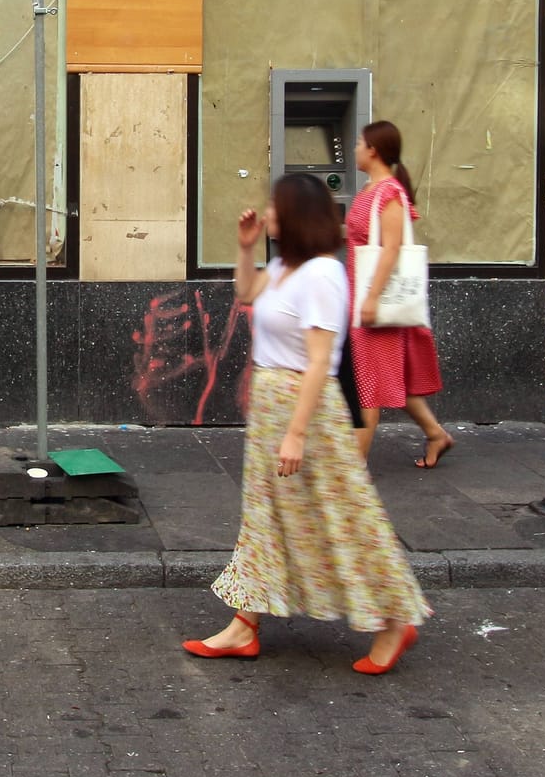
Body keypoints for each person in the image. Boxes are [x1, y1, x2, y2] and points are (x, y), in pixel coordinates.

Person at [182, 173, 431, 674]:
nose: (267, 214)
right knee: (264, 515)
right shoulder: (284, 265)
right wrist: (245, 248)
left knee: (341, 514)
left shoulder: (322, 273)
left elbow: (320, 361)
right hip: (274, 402)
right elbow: (246, 292)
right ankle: (243, 625)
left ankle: (393, 619)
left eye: (274, 208)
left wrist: (296, 432)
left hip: (307, 409)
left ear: (297, 214)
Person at [346, 121, 453, 467]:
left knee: (367, 383)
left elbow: (391, 250)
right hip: (361, 295)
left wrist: (372, 299)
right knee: (390, 377)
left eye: (360, 142)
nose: (355, 148)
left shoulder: (389, 193)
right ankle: (437, 434)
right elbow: (359, 236)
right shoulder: (369, 189)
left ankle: (354, 469)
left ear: (373, 150)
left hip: (374, 300)